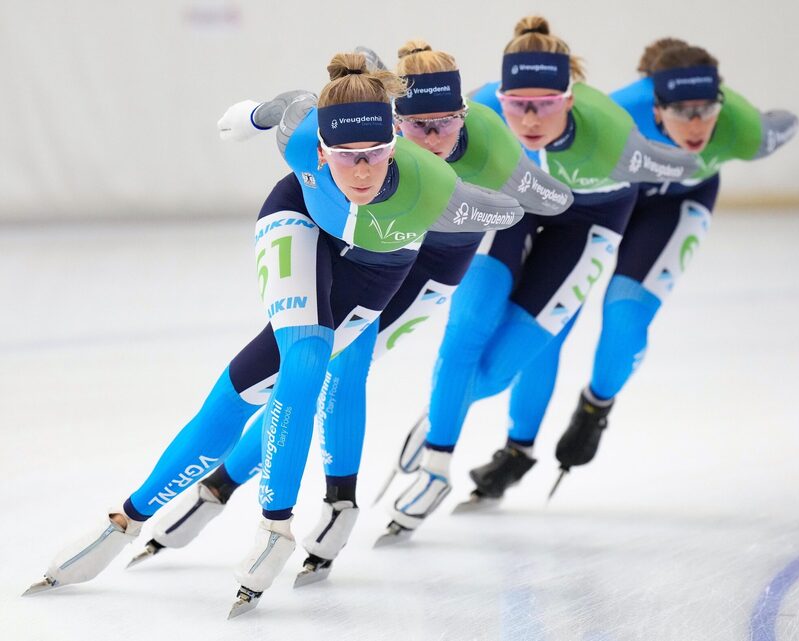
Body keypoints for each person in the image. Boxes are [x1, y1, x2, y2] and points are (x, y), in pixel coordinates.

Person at [25, 52, 525, 617]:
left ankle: (304, 508)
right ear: (318, 150)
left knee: (334, 371)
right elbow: (284, 107)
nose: (362, 172)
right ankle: (140, 521)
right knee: (304, 363)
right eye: (346, 158)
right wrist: (251, 115)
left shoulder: (438, 190)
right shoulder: (302, 133)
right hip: (300, 221)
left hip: (383, 265)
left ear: (395, 145)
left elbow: (513, 208)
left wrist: (509, 161)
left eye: (377, 156)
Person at [123, 40, 574, 586]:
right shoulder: (368, 145)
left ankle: (286, 494)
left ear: (464, 115)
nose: (430, 139)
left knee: (341, 373)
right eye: (415, 126)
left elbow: (553, 201)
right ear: (393, 119)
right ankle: (233, 487)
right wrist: (254, 116)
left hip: (430, 264)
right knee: (316, 367)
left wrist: (536, 164)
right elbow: (304, 107)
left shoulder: (489, 150)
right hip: (368, 253)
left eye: (446, 125)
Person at [379, 16, 701, 540]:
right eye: (516, 102)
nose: (528, 118)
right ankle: (437, 465)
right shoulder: (478, 106)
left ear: (570, 99)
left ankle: (458, 419)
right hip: (512, 206)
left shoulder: (613, 134)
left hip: (589, 223)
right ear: (497, 96)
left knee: (507, 365)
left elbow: (687, 165)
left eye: (545, 103)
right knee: (466, 328)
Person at [468, 37, 799, 500]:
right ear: (654, 103)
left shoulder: (743, 129)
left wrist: (775, 121)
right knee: (550, 326)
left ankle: (595, 406)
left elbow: (783, 124)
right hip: (609, 205)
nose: (697, 123)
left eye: (707, 109)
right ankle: (518, 448)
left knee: (625, 319)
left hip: (676, 206)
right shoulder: (622, 112)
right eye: (680, 111)